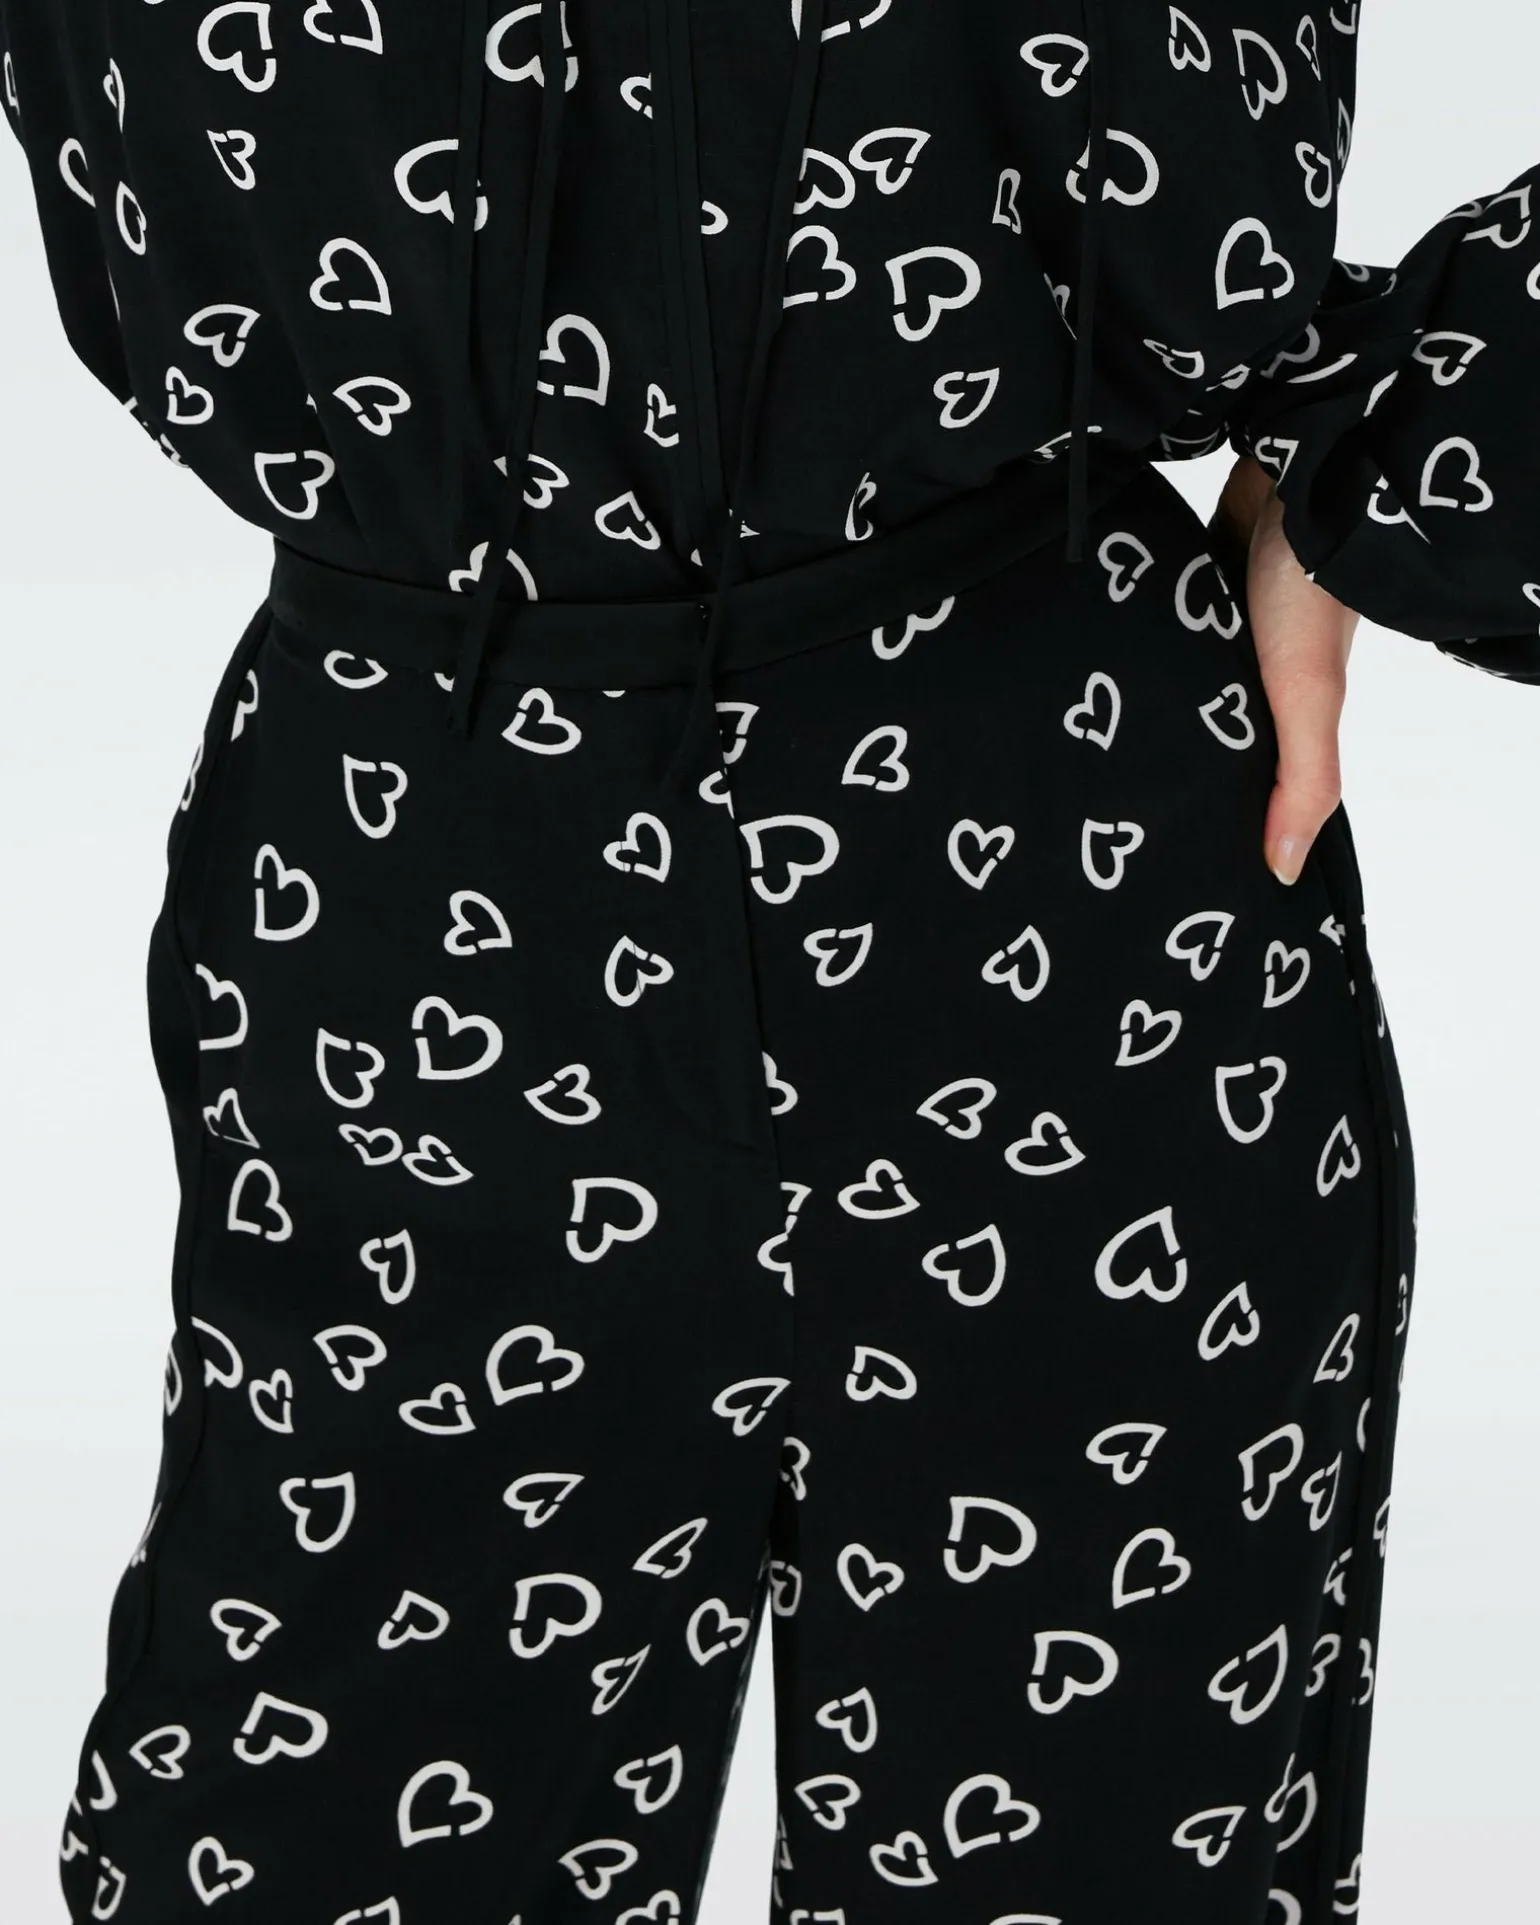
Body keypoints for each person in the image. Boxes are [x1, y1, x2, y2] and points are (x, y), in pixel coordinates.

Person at [2, 2, 1534, 1920]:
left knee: (1104, 1851)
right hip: (412, 888)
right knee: (308, 1841)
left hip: (1067, 865)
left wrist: (1411, 439)